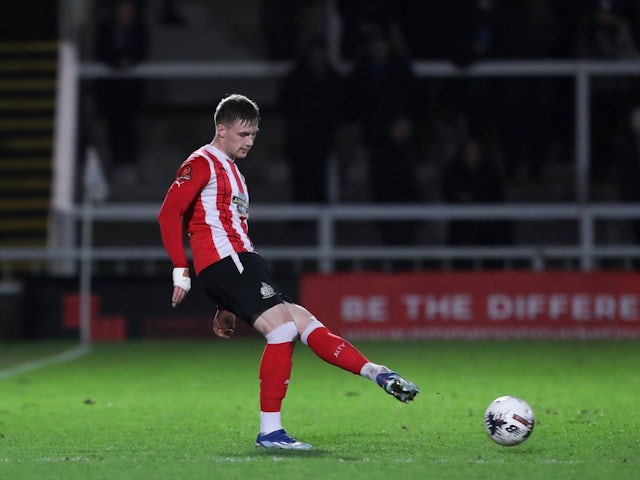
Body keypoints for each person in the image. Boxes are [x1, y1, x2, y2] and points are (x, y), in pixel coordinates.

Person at [157, 94, 419, 450]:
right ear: (221, 130)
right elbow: (170, 213)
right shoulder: (202, 162)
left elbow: (223, 224)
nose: (249, 142)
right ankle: (270, 432)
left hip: (240, 261)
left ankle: (377, 372)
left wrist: (226, 304)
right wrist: (179, 268)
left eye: (253, 135)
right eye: (242, 134)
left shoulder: (232, 170)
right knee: (281, 329)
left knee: (301, 319)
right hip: (229, 260)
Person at [277, 36, 345, 203]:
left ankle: (320, 214)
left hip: (322, 138)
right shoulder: (296, 78)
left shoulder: (332, 79)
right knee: (299, 179)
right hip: (300, 138)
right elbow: (286, 105)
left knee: (320, 178)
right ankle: (301, 218)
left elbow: (339, 106)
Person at [94, 0, 149, 187]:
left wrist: (129, 63)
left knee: (129, 127)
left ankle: (130, 165)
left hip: (131, 90)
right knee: (114, 127)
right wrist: (117, 64)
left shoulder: (139, 29)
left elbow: (142, 51)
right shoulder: (106, 28)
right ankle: (118, 165)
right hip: (112, 89)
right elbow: (101, 51)